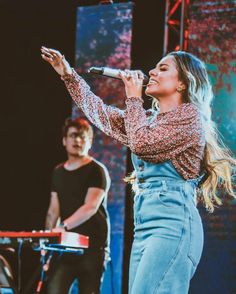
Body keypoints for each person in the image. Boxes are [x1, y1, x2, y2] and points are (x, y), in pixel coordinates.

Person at [41, 46, 236, 294]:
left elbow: (143, 144)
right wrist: (68, 75)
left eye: (163, 68)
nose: (152, 72)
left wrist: (133, 97)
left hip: (173, 223)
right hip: (144, 224)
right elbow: (101, 113)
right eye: (154, 67)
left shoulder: (190, 118)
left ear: (183, 84)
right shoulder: (146, 119)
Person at [45, 117, 111, 294]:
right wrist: (48, 242)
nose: (78, 140)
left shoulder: (97, 170)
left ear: (90, 142)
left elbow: (90, 207)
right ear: (64, 140)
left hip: (92, 247)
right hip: (66, 247)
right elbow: (53, 211)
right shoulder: (58, 172)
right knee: (54, 289)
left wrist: (62, 227)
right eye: (73, 136)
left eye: (83, 137)